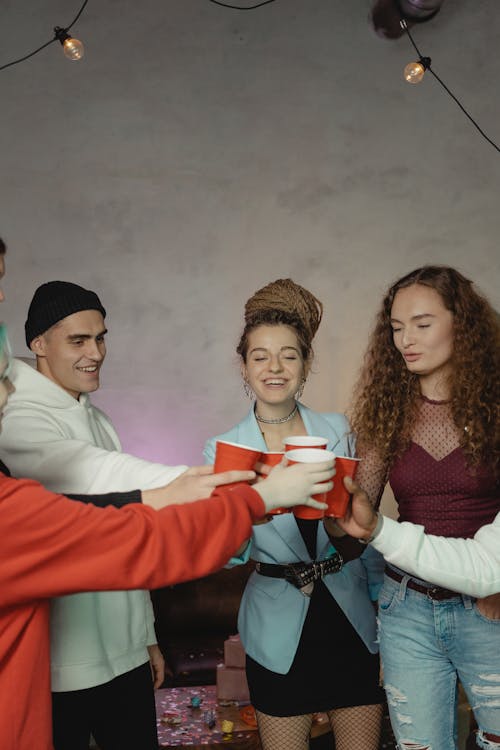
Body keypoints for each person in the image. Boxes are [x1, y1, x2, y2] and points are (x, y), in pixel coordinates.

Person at [0, 278, 325, 750]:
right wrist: (209, 487)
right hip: (63, 666)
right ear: (37, 345)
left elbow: (131, 546)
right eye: (78, 340)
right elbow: (103, 484)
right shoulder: (21, 417)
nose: (96, 351)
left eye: (101, 336)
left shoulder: (96, 415)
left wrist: (145, 638)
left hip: (124, 657)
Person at [204, 279, 385, 750]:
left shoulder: (338, 430)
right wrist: (251, 512)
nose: (274, 367)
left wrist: (383, 612)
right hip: (277, 627)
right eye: (260, 355)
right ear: (243, 366)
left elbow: (363, 535)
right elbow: (223, 556)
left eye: (288, 354)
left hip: (349, 618)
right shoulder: (224, 450)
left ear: (305, 364)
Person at [349, 265, 500, 749]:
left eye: (421, 323)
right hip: (407, 609)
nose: (405, 340)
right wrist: (318, 503)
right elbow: (357, 521)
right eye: (396, 327)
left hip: (490, 607)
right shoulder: (385, 409)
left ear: (461, 322)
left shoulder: (497, 408)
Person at [334, 477, 500, 597]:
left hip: (481, 605)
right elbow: (490, 564)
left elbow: (490, 567)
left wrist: (494, 589)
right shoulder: (384, 432)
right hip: (406, 599)